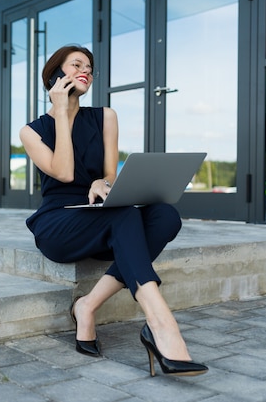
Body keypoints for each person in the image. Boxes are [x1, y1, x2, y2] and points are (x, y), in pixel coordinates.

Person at [20, 44, 208, 377]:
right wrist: (61, 112)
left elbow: (109, 173)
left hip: (99, 212)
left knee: (165, 215)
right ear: (54, 75)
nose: (86, 72)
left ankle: (87, 305)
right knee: (125, 216)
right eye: (77, 64)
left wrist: (101, 184)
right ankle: (162, 324)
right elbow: (63, 172)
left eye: (90, 68)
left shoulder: (106, 116)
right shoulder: (32, 131)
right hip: (59, 223)